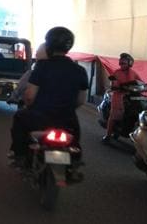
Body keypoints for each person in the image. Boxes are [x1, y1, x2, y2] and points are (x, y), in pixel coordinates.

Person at [9, 27, 88, 166]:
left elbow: (29, 96)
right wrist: (65, 108)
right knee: (75, 140)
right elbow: (81, 100)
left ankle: (19, 154)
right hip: (67, 119)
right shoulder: (80, 70)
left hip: (40, 118)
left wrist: (29, 106)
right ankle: (74, 162)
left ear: (49, 45)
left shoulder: (41, 67)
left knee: (19, 118)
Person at [103, 53, 143, 142]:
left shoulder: (133, 73)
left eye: (123, 63)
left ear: (130, 63)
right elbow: (113, 83)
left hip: (131, 97)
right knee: (113, 116)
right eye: (120, 63)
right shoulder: (117, 72)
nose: (121, 65)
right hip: (119, 96)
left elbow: (140, 82)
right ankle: (108, 135)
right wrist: (116, 87)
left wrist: (145, 87)